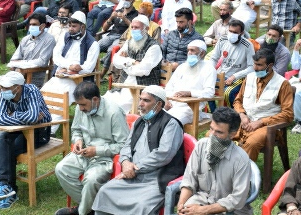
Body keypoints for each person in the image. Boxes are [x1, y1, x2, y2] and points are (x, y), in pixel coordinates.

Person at [90, 87, 185, 215]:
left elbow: (164, 154)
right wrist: (125, 162)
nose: (140, 104)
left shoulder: (171, 124)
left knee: (141, 205)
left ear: (159, 104)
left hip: (155, 181)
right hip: (133, 176)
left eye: (146, 100)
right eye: (140, 99)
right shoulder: (139, 122)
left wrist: (135, 168)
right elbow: (127, 145)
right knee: (105, 192)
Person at [54, 80, 130, 215]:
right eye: (78, 105)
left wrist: (96, 150)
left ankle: (83, 211)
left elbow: (124, 145)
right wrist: (77, 140)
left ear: (95, 100)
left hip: (105, 158)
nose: (80, 109)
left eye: (83, 104)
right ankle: (91, 209)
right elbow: (76, 129)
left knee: (91, 179)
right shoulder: (80, 108)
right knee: (61, 169)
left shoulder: (114, 112)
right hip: (83, 153)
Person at [174, 107, 254, 215]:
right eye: (211, 129)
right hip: (203, 199)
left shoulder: (241, 159)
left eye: (219, 132)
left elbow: (237, 199)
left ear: (232, 134)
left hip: (230, 210)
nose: (212, 135)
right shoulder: (201, 146)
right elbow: (189, 180)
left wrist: (204, 210)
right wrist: (181, 204)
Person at [0, 70, 52, 208]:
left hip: (39, 131)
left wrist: (13, 115)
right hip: (17, 130)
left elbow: (33, 118)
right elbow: (1, 119)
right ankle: (4, 186)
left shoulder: (32, 91)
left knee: (6, 149)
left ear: (17, 87)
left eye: (6, 87)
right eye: (2, 87)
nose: (2, 90)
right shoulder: (5, 94)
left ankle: (9, 191)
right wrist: (25, 117)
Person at [229, 47, 294, 159]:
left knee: (252, 143)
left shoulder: (282, 84)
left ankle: (241, 170)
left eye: (259, 65)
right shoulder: (249, 77)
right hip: (244, 122)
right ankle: (221, 167)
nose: (255, 68)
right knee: (216, 134)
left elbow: (288, 114)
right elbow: (238, 101)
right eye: (254, 64)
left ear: (270, 66)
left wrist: (261, 122)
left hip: (267, 127)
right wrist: (242, 115)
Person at [43, 11, 100, 99]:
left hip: (78, 81)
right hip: (60, 75)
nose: (70, 29)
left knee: (59, 98)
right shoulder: (65, 36)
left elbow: (89, 68)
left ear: (83, 27)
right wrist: (68, 67)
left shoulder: (93, 44)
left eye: (74, 26)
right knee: (43, 95)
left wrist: (74, 70)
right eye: (69, 26)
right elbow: (56, 56)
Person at [163, 39, 216, 127]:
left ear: (202, 53)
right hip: (172, 104)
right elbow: (169, 86)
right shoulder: (182, 67)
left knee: (169, 123)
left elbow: (209, 93)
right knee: (153, 116)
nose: (189, 53)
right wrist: (167, 100)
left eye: (192, 50)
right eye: (188, 50)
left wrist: (190, 93)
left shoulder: (209, 69)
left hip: (190, 109)